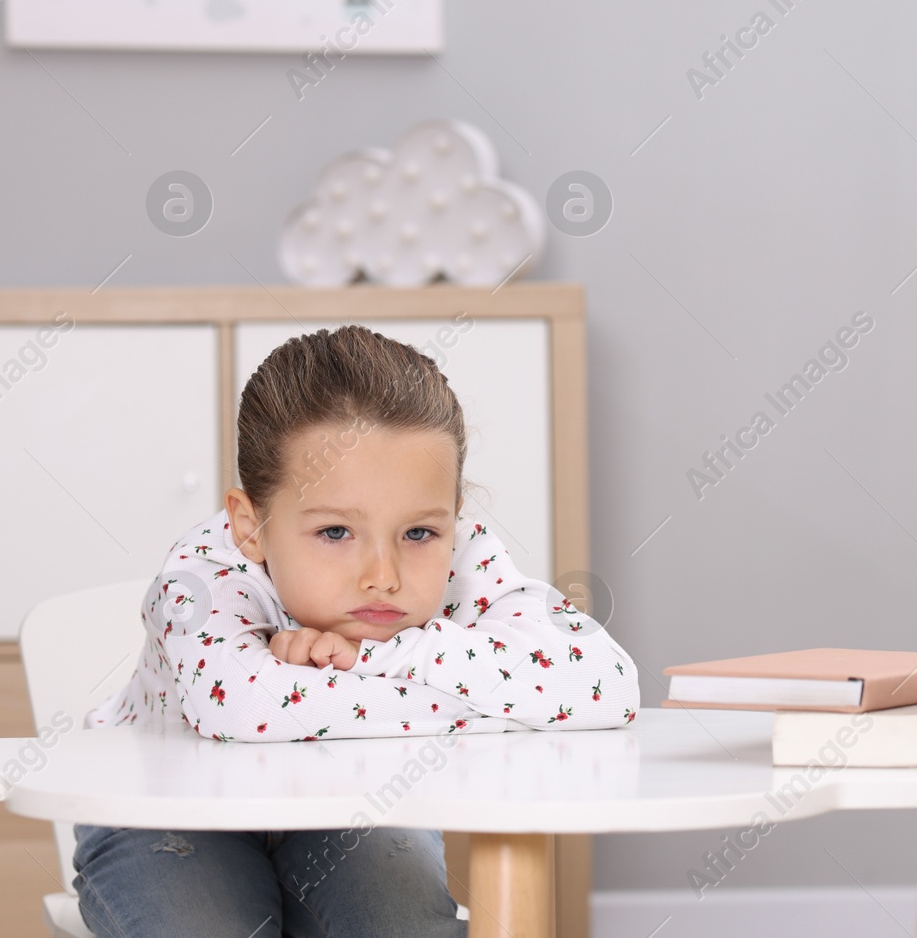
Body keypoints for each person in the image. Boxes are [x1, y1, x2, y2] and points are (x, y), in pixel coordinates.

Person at [73, 324, 640, 937]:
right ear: (250, 525)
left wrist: (378, 657)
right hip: (168, 815)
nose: (383, 576)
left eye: (420, 533)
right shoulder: (199, 578)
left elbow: (607, 685)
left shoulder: (465, 556)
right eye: (336, 533)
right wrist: (504, 696)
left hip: (355, 806)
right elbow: (245, 710)